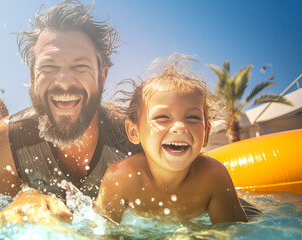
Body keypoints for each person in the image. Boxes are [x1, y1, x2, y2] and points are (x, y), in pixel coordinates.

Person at [0, 0, 139, 221]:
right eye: (48, 66)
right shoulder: (9, 138)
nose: (64, 82)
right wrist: (24, 197)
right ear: (32, 75)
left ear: (102, 76)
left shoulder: (131, 137)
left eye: (80, 66)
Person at [95, 56, 248, 224]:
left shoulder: (213, 176)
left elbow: (232, 232)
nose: (180, 127)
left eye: (192, 117)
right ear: (133, 132)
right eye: (162, 117)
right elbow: (102, 233)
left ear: (206, 132)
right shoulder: (121, 177)